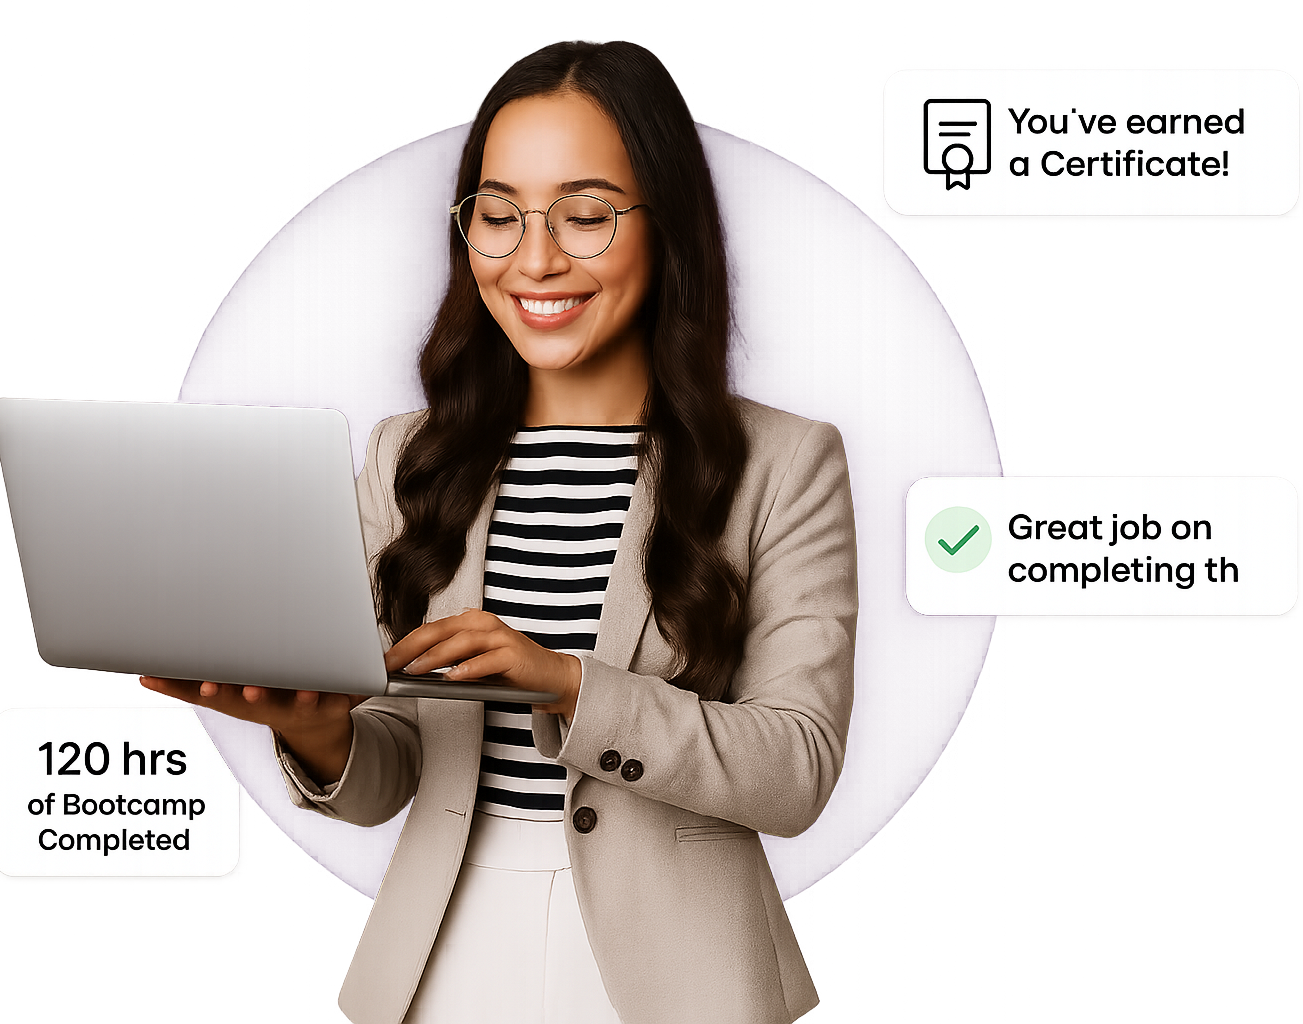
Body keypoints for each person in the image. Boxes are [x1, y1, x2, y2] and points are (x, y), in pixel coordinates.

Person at [142, 39, 856, 1024]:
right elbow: (389, 773)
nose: (535, 257)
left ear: (666, 226)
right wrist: (315, 731)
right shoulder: (409, 456)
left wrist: (567, 682)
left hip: (678, 973)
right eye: (499, 212)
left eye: (586, 213)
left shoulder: (785, 464)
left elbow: (796, 770)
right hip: (443, 951)